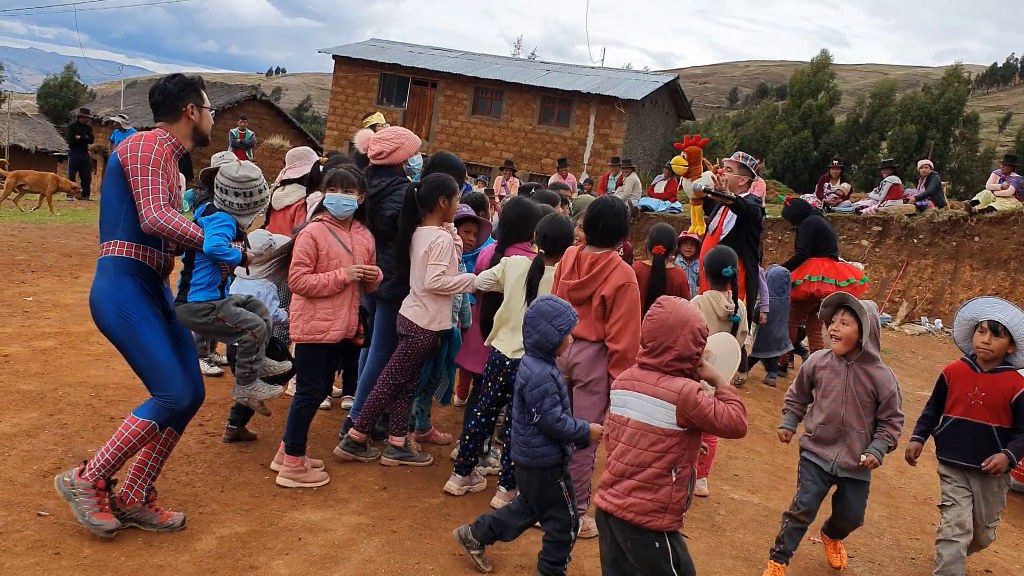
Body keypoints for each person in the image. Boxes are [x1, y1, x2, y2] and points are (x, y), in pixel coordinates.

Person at [54, 74, 215, 536]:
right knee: (173, 393)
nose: (211, 118)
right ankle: (87, 478)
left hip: (150, 286)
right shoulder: (147, 146)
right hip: (123, 284)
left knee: (190, 394)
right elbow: (154, 217)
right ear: (190, 110)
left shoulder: (169, 160)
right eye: (207, 109)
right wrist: (215, 242)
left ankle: (135, 495)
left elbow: (164, 228)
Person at [596, 296, 749, 576]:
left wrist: (683, 444)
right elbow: (736, 423)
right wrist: (717, 379)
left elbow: (620, 438)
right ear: (693, 350)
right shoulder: (685, 394)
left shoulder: (623, 380)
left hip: (609, 509)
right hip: (648, 521)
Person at [335, 173, 475, 466]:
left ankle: (397, 441)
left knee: (404, 383)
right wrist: (473, 281)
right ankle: (356, 435)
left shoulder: (420, 231)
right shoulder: (438, 238)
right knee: (391, 380)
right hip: (423, 322)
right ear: (443, 201)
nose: (458, 205)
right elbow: (436, 280)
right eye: (456, 199)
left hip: (413, 315)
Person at [453, 295, 599, 576]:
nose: (571, 339)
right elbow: (552, 422)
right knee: (564, 523)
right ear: (550, 338)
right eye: (567, 334)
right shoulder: (542, 374)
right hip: (545, 463)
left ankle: (475, 533)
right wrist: (585, 431)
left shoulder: (534, 363)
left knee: (528, 506)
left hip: (530, 459)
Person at [762, 292, 904, 576]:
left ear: (864, 333)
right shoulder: (818, 362)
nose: (834, 328)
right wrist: (790, 421)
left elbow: (891, 421)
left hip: (857, 460)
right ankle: (778, 559)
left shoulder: (881, 377)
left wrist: (877, 449)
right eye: (833, 322)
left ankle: (831, 534)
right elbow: (798, 394)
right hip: (816, 451)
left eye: (845, 323)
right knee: (802, 507)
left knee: (851, 516)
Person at [445, 213, 573, 509]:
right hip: (534, 362)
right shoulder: (564, 280)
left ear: (534, 240)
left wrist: (511, 289)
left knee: (483, 411)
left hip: (500, 353)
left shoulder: (513, 264)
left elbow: (482, 281)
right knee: (518, 425)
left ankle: (460, 474)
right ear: (568, 249)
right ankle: (505, 490)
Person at [275, 165, 381, 488]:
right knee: (310, 390)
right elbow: (297, 280)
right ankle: (293, 463)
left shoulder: (364, 235)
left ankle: (286, 451)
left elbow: (369, 280)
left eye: (348, 192)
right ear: (323, 193)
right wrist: (344, 276)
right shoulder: (312, 232)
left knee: (319, 388)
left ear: (361, 198)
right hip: (313, 326)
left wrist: (373, 277)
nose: (340, 197)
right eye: (334, 189)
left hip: (341, 326)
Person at [904, 296, 1024, 576]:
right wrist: (918, 437)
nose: (986, 339)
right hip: (953, 465)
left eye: (996, 335)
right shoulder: (952, 372)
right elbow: (932, 410)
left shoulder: (1017, 387)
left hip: (991, 476)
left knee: (981, 535)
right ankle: (949, 560)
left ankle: (951, 552)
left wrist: (1008, 456)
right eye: (981, 331)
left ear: (1011, 346)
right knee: (956, 528)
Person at [552, 194, 642, 538]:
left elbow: (555, 305)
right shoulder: (622, 274)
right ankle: (572, 512)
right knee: (584, 437)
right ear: (623, 235)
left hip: (561, 348)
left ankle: (540, 502)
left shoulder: (569, 256)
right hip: (595, 358)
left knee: (553, 427)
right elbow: (624, 340)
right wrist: (619, 386)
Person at [174, 160, 288, 416]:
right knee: (253, 326)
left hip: (214, 298)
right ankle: (246, 386)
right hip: (199, 304)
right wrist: (241, 259)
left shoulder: (211, 211)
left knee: (258, 309)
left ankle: (257, 364)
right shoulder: (222, 219)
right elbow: (213, 247)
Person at [447, 197, 542, 491]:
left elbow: (477, 284)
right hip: (508, 343)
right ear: (532, 230)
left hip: (480, 336)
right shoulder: (530, 262)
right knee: (507, 409)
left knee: (480, 399)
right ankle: (486, 455)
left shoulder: (489, 250)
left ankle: (467, 448)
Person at [340, 126, 422, 440]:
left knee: (371, 344)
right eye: (413, 154)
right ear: (401, 158)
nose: (416, 160)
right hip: (391, 279)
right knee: (382, 349)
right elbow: (403, 239)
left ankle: (363, 409)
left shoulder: (364, 183)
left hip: (367, 274)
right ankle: (357, 418)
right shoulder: (404, 192)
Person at [411, 204, 489, 443]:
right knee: (420, 379)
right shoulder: (443, 256)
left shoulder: (461, 263)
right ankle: (410, 428)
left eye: (475, 235)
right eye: (466, 232)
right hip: (430, 326)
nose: (471, 239)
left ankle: (420, 425)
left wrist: (464, 325)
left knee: (434, 376)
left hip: (448, 329)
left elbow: (463, 299)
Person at [222, 228, 293, 442]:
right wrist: (287, 313)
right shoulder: (265, 285)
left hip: (235, 345)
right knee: (290, 367)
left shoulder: (239, 280)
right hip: (258, 344)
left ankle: (234, 426)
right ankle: (249, 400)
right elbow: (271, 315)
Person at [690, 245, 749, 497]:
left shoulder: (699, 302)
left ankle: (688, 471)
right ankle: (702, 479)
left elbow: (689, 336)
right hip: (722, 374)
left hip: (697, 372)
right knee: (711, 429)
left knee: (691, 425)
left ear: (703, 272)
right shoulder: (740, 306)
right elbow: (743, 340)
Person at [780, 197, 869, 362]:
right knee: (814, 323)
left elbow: (802, 253)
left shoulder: (808, 223)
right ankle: (816, 363)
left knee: (791, 318)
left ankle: (783, 360)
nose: (791, 224)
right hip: (830, 274)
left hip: (815, 273)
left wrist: (782, 269)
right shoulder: (820, 220)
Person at [695, 150, 766, 323]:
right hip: (710, 273)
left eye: (727, 169)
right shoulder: (725, 200)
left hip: (731, 277)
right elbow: (713, 214)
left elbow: (748, 211)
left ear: (742, 180)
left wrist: (728, 197)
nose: (721, 173)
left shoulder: (751, 203)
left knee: (726, 323)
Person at [749, 265, 793, 387]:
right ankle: (772, 375)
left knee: (755, 354)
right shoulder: (787, 300)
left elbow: (756, 315)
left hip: (765, 335)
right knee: (773, 356)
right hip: (780, 334)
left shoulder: (767, 302)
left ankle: (744, 369)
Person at [633, 223, 690, 317]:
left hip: (637, 329)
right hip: (670, 330)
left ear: (647, 244)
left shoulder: (636, 269)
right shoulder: (679, 275)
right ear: (674, 249)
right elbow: (686, 310)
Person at [67, 107, 94, 201]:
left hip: (84, 153)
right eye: (83, 118)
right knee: (71, 175)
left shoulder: (89, 128)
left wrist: (80, 137)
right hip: (74, 153)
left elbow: (91, 140)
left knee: (86, 176)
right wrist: (84, 138)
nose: (85, 120)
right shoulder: (72, 127)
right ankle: (70, 195)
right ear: (79, 117)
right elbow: (71, 140)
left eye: (87, 118)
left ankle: (85, 195)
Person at [675, 232, 700, 300]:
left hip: (694, 299)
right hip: (678, 299)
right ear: (679, 247)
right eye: (685, 244)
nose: (689, 247)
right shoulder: (674, 262)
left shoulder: (699, 264)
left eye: (692, 245)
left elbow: (700, 281)